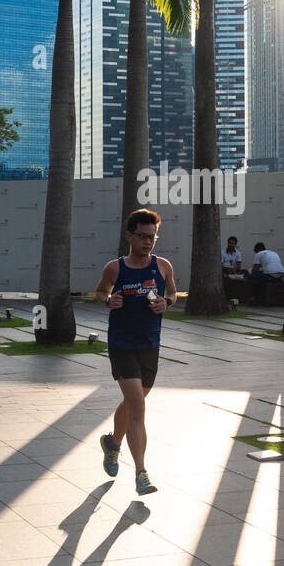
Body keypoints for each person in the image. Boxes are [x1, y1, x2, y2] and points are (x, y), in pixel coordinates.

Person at [95, 209, 176, 496]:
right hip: (121, 344)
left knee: (134, 402)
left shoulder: (163, 266)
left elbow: (173, 295)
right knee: (139, 407)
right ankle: (141, 473)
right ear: (129, 236)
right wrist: (109, 301)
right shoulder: (115, 268)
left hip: (149, 344)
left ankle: (112, 444)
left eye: (152, 237)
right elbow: (101, 291)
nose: (148, 242)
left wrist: (165, 302)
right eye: (142, 236)